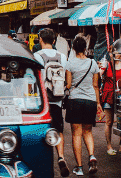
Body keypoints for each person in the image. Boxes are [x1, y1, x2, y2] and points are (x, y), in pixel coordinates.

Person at [33, 28, 70, 177]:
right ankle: (61, 156)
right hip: (57, 99)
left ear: (40, 40)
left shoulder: (36, 55)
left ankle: (42, 159)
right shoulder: (62, 56)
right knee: (58, 130)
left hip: (41, 101)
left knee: (42, 131)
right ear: (54, 41)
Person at [65, 36, 102, 176]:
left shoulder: (70, 63)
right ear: (85, 48)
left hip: (75, 101)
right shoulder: (93, 63)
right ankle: (92, 156)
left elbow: (68, 85)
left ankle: (79, 167)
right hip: (90, 101)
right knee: (88, 132)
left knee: (76, 134)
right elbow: (96, 86)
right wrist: (98, 104)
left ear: (73, 48)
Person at [99, 50, 121, 155]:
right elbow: (98, 75)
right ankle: (109, 146)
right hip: (108, 96)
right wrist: (100, 68)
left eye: (116, 52)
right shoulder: (107, 65)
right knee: (109, 122)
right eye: (112, 52)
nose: (114, 54)